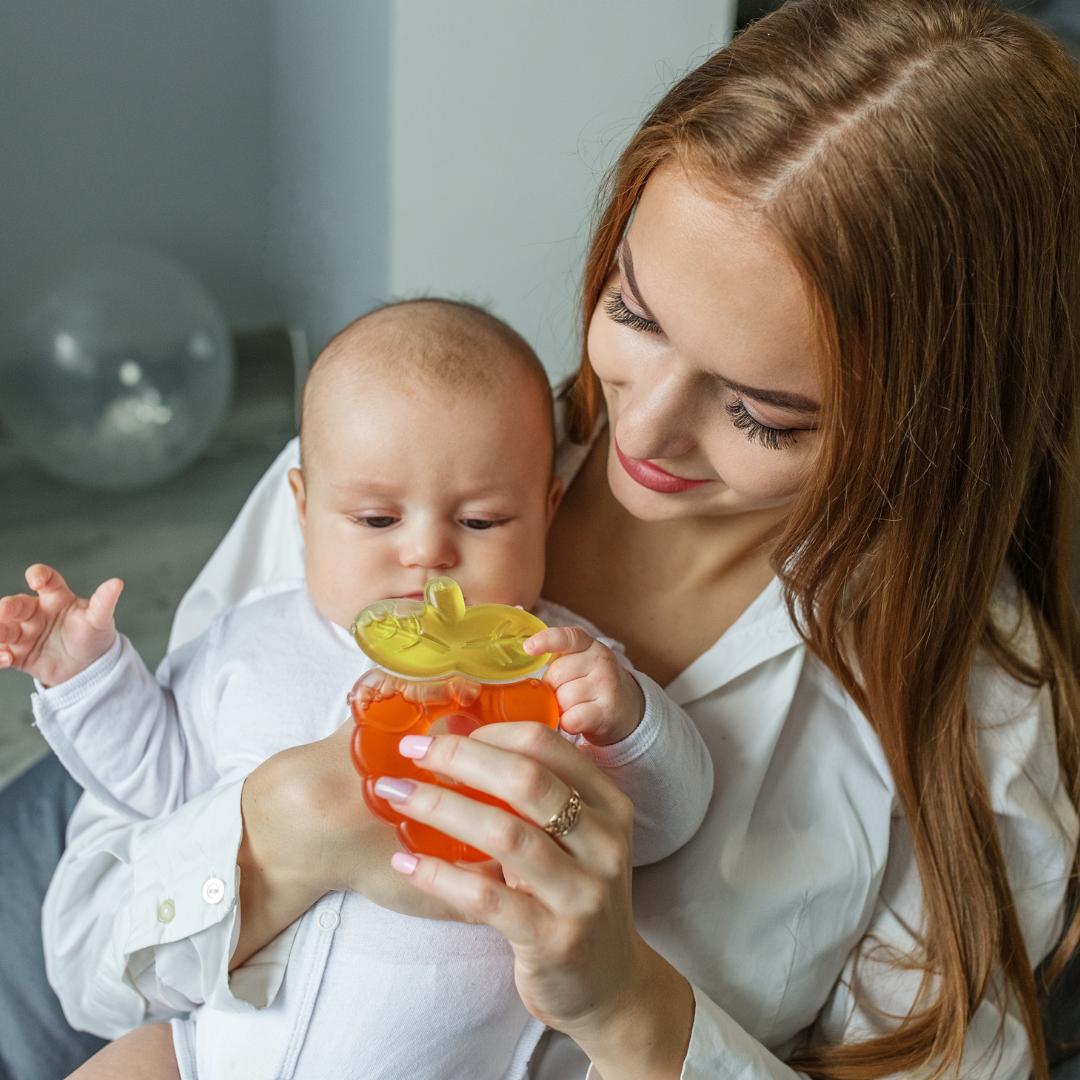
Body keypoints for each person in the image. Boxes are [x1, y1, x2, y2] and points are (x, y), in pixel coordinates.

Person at [13, 0, 1080, 1077]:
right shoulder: (391, 472)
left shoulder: (973, 722)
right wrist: (287, 827)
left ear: (937, 422)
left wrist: (628, 1009)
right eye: (634, 313)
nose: (643, 428)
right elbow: (89, 959)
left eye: (763, 412)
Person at [0, 300, 712, 1079]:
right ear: (303, 509)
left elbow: (665, 822)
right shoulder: (247, 639)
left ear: (544, 513)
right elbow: (155, 777)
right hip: (212, 1048)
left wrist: (630, 722)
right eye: (376, 519)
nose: (426, 551)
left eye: (481, 522)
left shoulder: (551, 662)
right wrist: (90, 676)